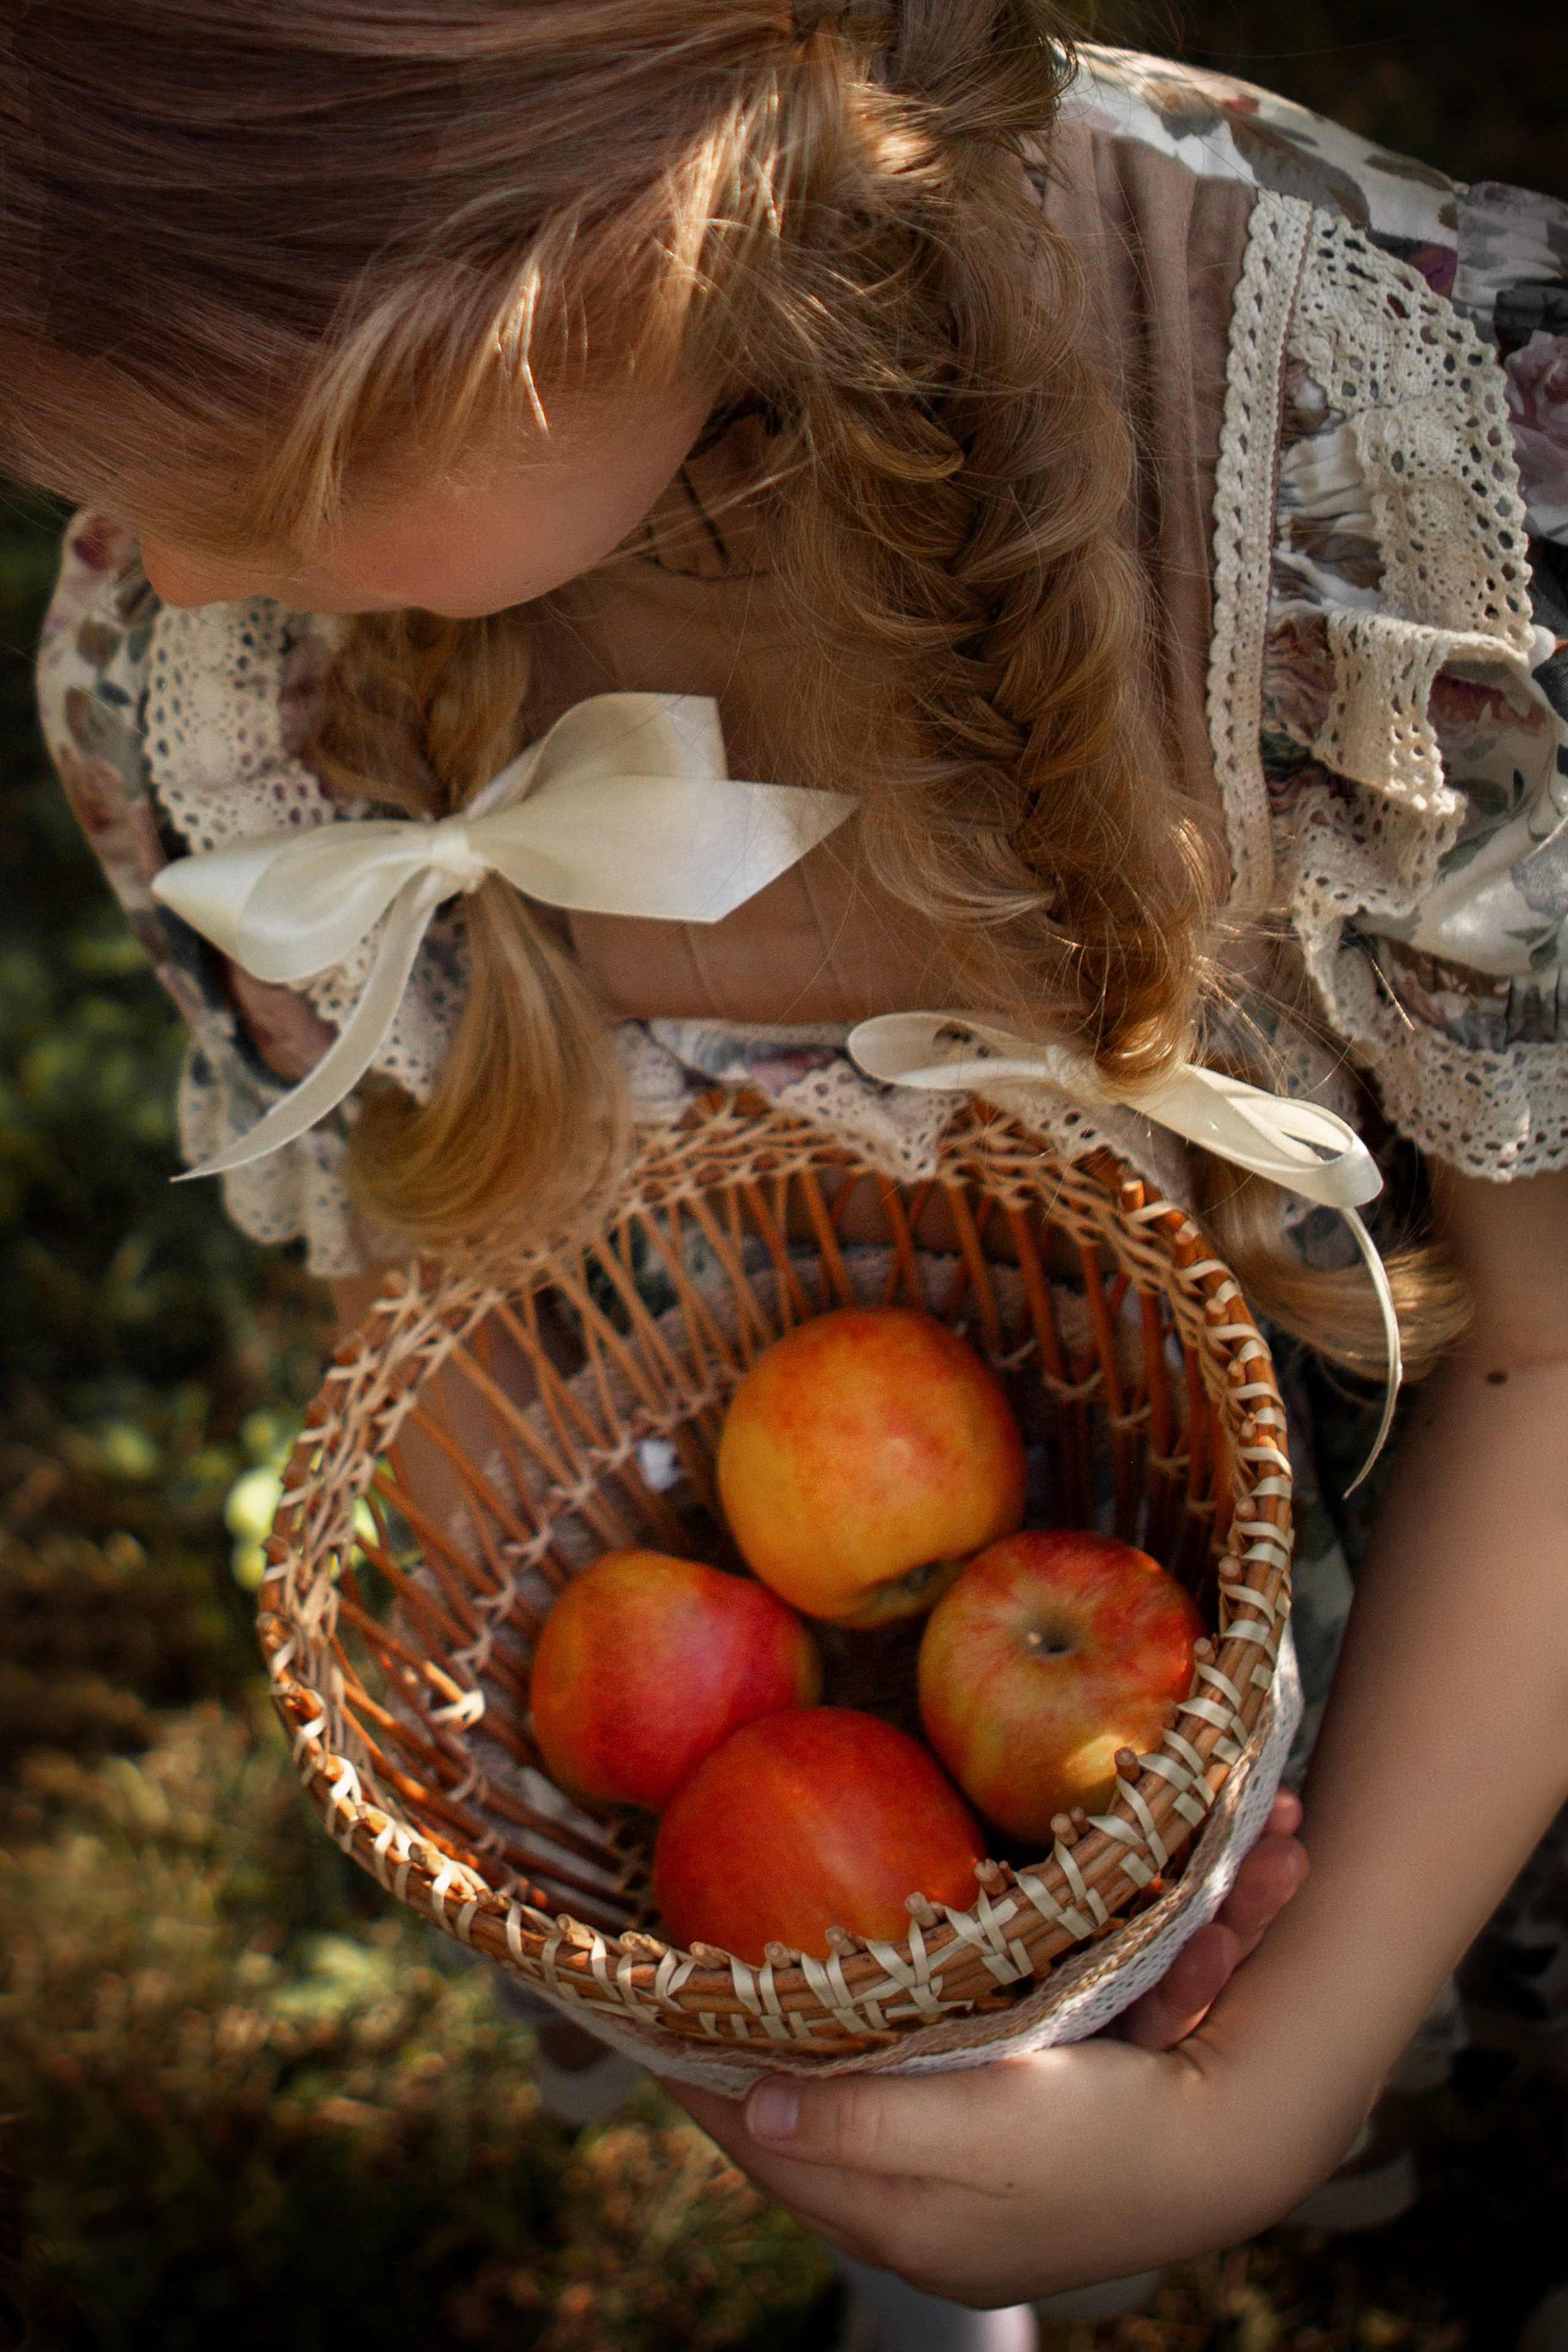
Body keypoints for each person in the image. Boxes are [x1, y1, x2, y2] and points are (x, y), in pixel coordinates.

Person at [6, 3, 1568, 2340]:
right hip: (785, 1647)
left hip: (1427, 1618)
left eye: (244, 478)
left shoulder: (1371, 496)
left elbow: (1550, 1343)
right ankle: (941, 2168)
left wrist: (1280, 2071)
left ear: (595, 260)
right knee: (920, 2122)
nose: (155, 569)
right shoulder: (208, 656)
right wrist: (756, 1920)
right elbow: (453, 1306)